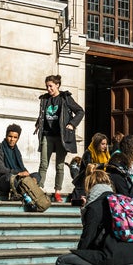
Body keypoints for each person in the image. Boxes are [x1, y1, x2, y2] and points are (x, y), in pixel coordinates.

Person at [34, 75, 85, 203]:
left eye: (50, 86)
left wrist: (72, 124)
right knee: (43, 164)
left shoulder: (65, 98)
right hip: (47, 135)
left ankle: (57, 192)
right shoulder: (45, 99)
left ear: (57, 85)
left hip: (61, 136)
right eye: (47, 86)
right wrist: (38, 124)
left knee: (60, 165)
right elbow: (42, 114)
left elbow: (80, 111)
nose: (48, 89)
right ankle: (39, 189)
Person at [0, 124, 33, 201]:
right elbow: (0, 169)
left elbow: (21, 167)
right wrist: (18, 173)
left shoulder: (17, 151)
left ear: (18, 139)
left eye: (15, 137)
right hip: (0, 180)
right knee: (10, 178)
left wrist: (26, 173)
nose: (12, 139)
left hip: (16, 178)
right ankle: (22, 192)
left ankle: (23, 191)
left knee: (36, 176)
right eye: (10, 136)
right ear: (6, 136)